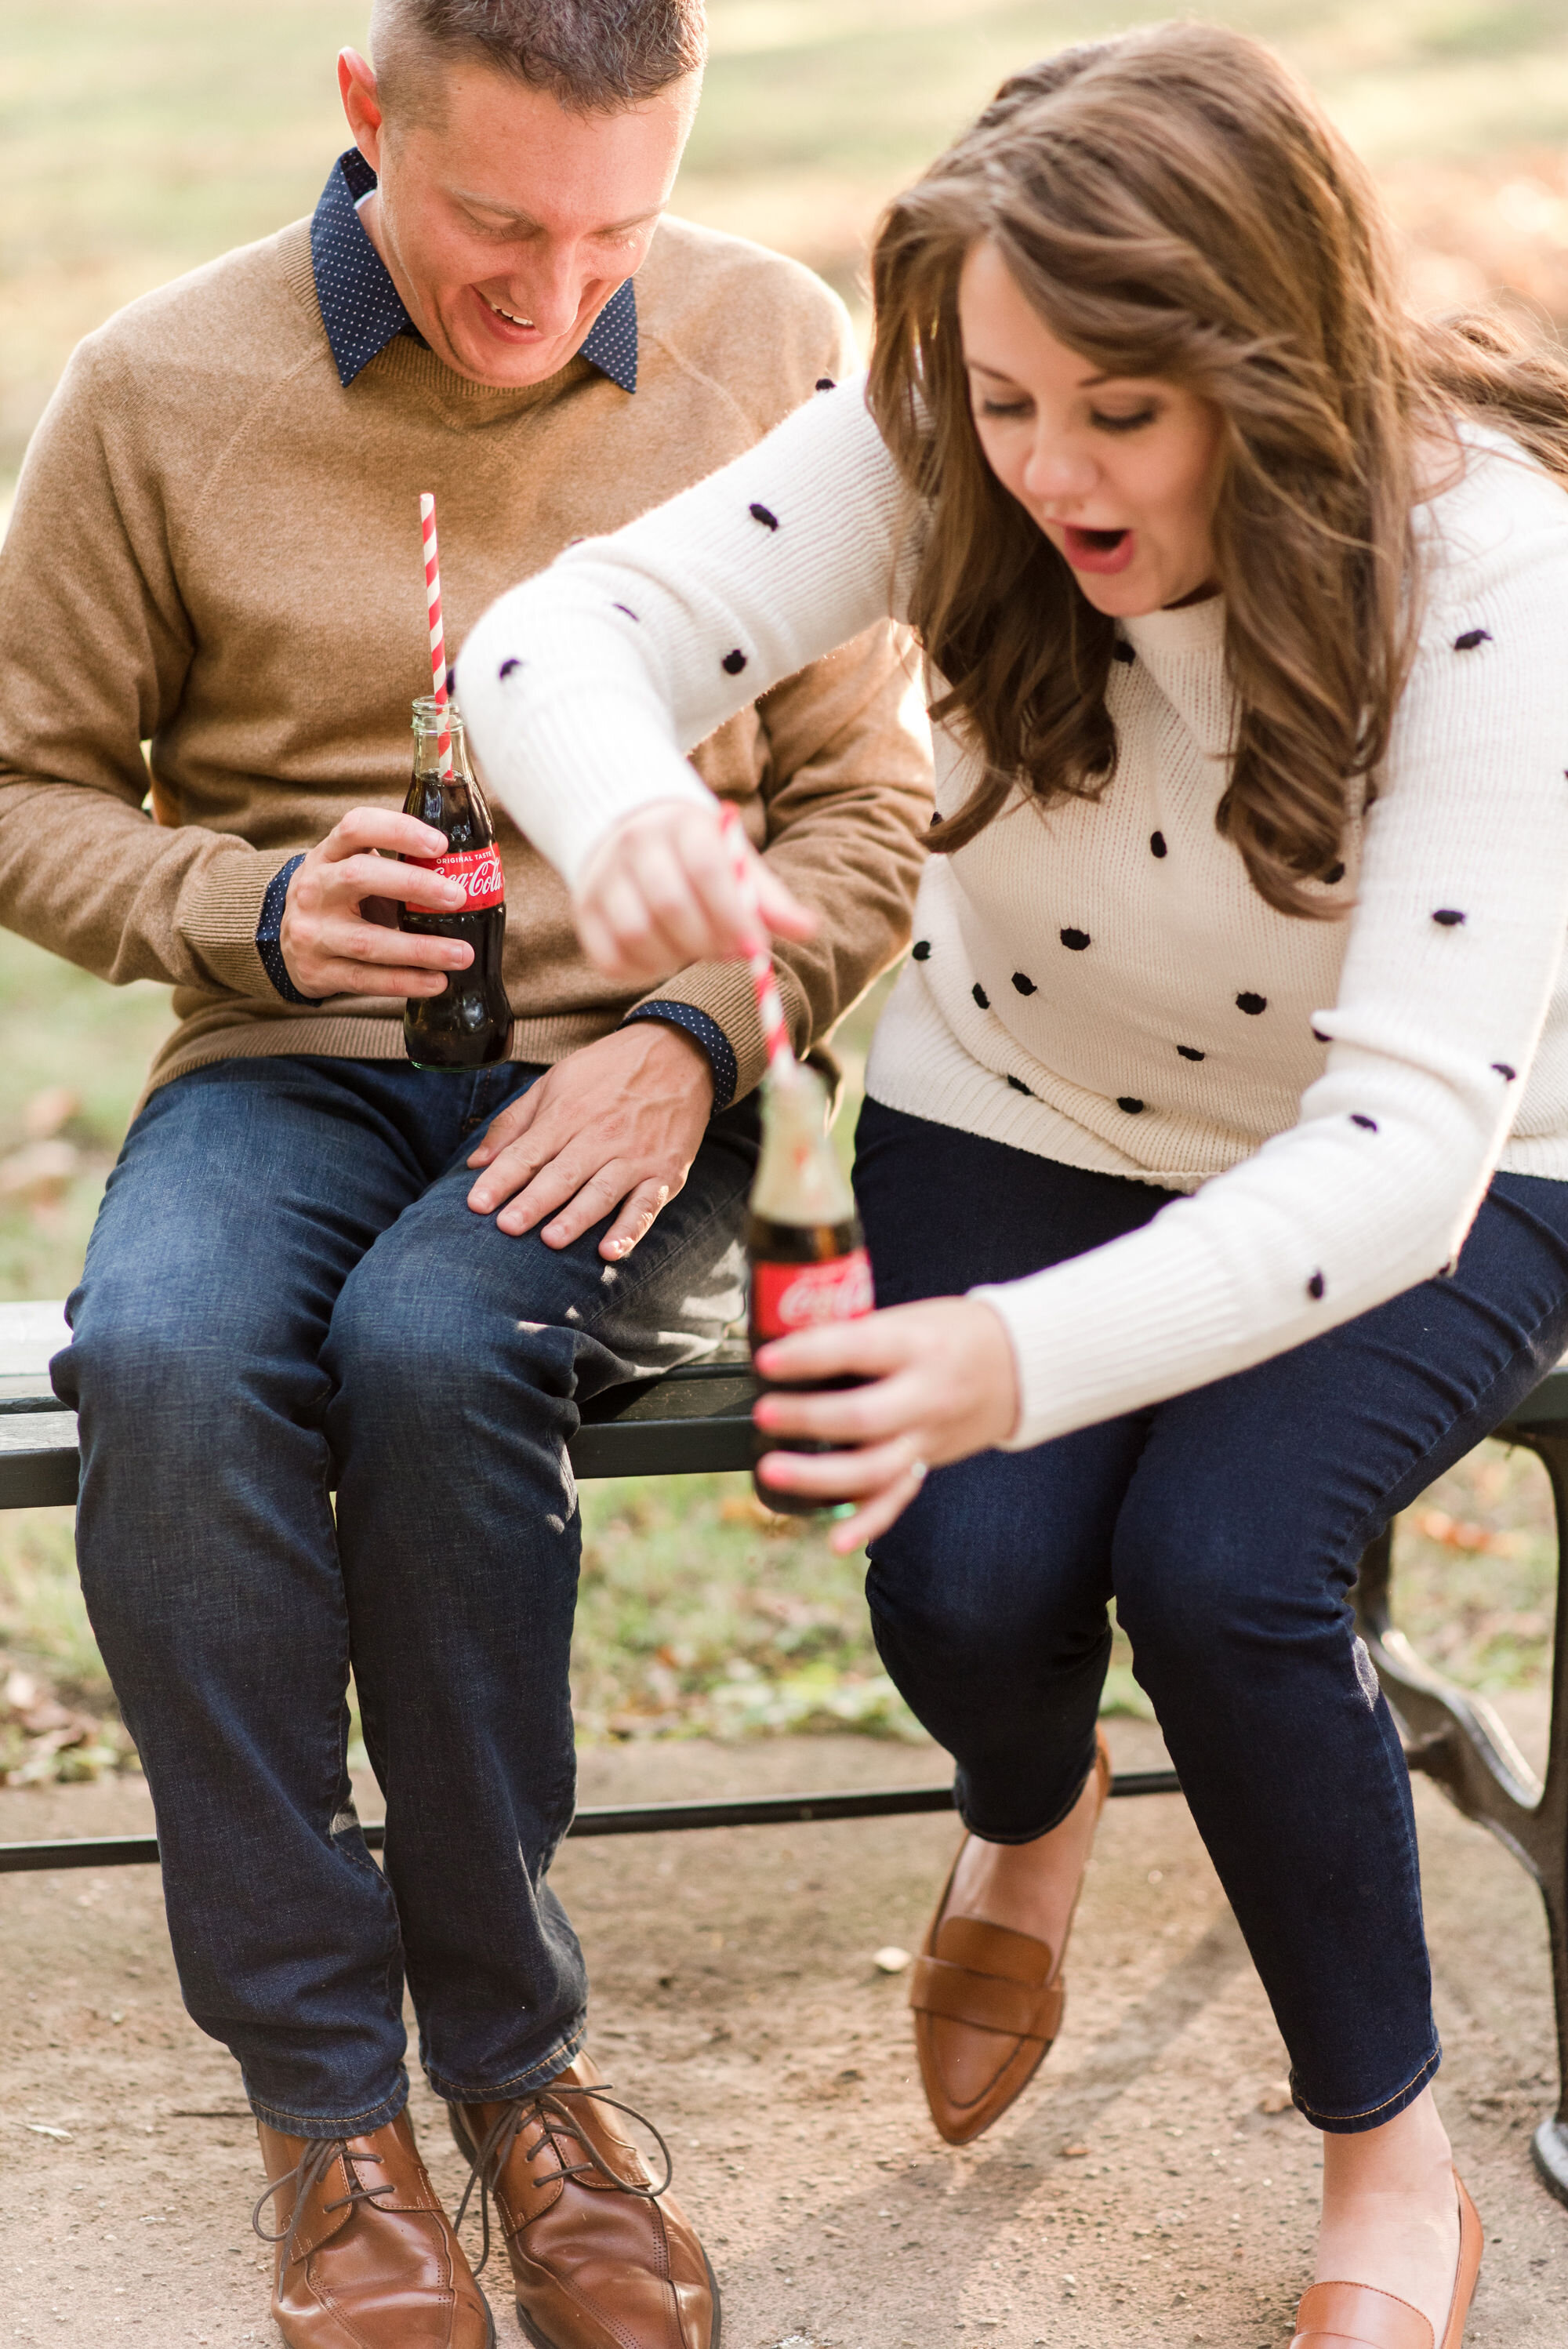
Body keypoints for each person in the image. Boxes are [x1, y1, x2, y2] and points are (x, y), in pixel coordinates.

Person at [454, 24, 1568, 2347]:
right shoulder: (945, 430)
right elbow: (557, 630)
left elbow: (1394, 1161)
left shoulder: (1491, 573)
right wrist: (626, 797)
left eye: (1118, 413)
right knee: (964, 1580)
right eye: (1004, 397)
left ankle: (1392, 2154)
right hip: (1027, 1091)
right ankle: (1031, 1804)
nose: (1046, 465)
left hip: (1442, 1152)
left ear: (1265, 360)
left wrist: (1011, 1353)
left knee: (1231, 1562)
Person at [0, 2, 931, 2344]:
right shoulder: (154, 383)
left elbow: (871, 808)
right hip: (287, 1057)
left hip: (639, 1072)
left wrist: (694, 1032)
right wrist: (243, 909)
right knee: (172, 1360)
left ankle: (524, 2077)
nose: (554, 292)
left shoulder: (770, 341)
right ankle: (331, 2107)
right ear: (363, 120)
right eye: (498, 218)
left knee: (435, 1345)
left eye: (614, 224)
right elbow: (19, 786)